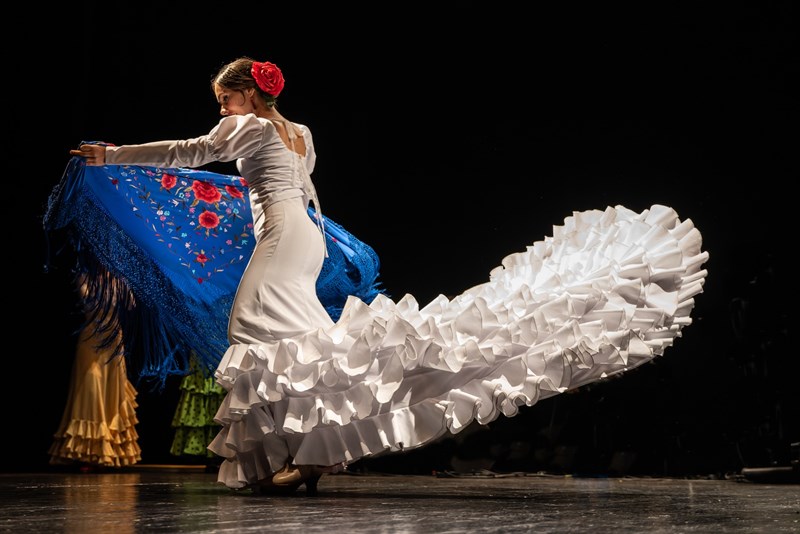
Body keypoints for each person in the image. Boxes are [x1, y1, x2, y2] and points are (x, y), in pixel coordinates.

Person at [70, 57, 710, 495]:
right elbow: (304, 194)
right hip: (303, 239)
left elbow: (194, 153)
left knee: (256, 333)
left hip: (285, 239)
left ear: (245, 94)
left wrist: (115, 156)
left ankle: (298, 451)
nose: (221, 107)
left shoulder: (245, 124)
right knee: (303, 345)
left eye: (225, 97)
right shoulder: (299, 132)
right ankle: (308, 456)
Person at [49, 273, 142, 470]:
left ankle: (112, 453)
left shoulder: (118, 279)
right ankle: (86, 453)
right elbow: (91, 306)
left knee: (113, 392)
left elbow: (131, 304)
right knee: (91, 390)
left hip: (115, 341)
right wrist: (107, 285)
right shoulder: (84, 277)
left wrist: (122, 282)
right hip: (92, 339)